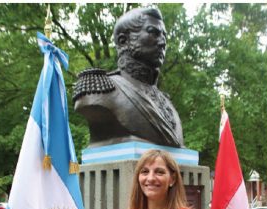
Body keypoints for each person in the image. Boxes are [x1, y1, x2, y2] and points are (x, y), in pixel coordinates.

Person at [73, 8, 184, 148]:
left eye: (164, 36)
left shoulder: (166, 101)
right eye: (153, 33)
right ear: (123, 40)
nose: (163, 43)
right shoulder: (99, 91)